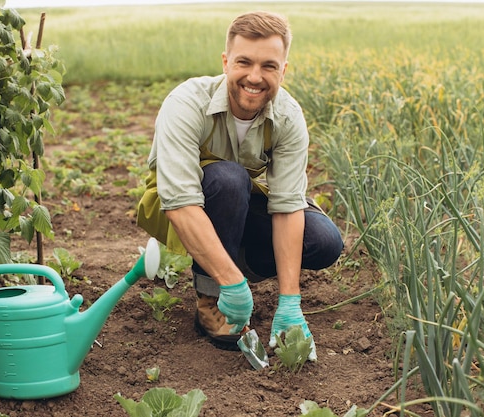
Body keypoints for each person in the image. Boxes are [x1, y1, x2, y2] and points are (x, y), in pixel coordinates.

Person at [137, 10, 343, 361]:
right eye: (244, 62)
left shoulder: (288, 116)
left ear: (283, 70)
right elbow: (180, 202)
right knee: (228, 179)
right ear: (226, 61)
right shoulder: (187, 103)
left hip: (242, 206)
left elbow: (288, 205)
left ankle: (232, 265)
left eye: (268, 66)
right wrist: (229, 285)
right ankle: (210, 295)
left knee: (324, 242)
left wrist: (290, 302)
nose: (254, 77)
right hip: (183, 209)